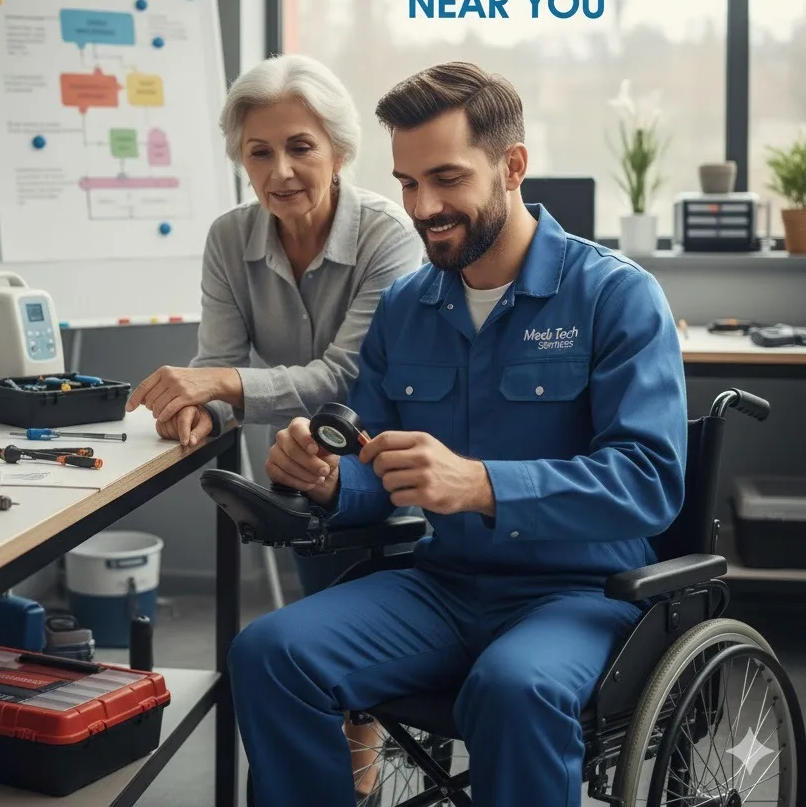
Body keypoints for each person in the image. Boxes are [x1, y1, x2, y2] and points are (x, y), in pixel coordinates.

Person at [227, 61, 688, 807]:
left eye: (445, 179)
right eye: (408, 183)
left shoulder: (616, 296)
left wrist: (479, 483)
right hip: (442, 587)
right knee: (270, 652)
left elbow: (649, 482)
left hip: (579, 595)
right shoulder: (407, 306)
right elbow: (377, 470)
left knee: (514, 687)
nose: (423, 207)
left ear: (512, 167)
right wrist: (326, 478)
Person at [125, 51, 423, 597]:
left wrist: (218, 386)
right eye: (259, 153)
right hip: (296, 469)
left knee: (374, 636)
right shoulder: (229, 238)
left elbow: (343, 379)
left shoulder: (390, 236)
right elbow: (218, 361)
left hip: (381, 467)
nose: (279, 171)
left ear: (339, 152)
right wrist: (196, 410)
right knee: (317, 631)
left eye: (300, 147)